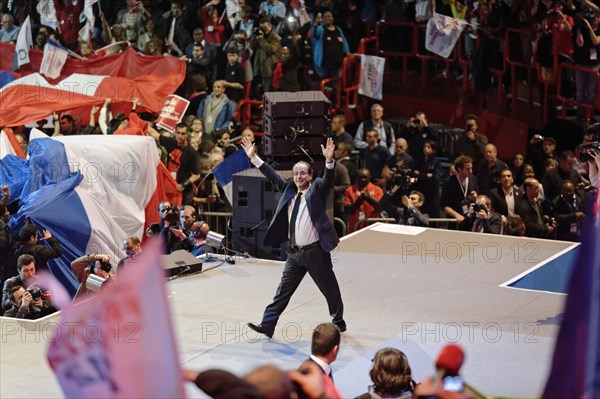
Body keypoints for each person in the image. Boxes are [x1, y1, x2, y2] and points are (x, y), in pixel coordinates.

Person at [241, 136, 346, 338]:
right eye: (296, 173)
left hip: (315, 252)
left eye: (303, 173)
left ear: (310, 175)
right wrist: (254, 158)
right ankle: (268, 325)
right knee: (282, 292)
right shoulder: (289, 189)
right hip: (294, 254)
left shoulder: (317, 189)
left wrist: (330, 161)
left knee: (329, 288)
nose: (298, 176)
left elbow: (328, 179)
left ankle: (338, 320)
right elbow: (272, 175)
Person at [441, 155, 478, 224]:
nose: (471, 171)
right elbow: (444, 206)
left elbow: (477, 198)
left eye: (471, 168)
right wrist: (456, 215)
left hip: (470, 220)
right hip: (454, 221)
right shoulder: (449, 182)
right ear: (459, 169)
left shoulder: (472, 179)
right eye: (468, 169)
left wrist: (475, 198)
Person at [344, 168, 383, 233]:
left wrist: (369, 198)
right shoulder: (350, 190)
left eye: (365, 177)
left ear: (369, 177)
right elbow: (348, 210)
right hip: (355, 228)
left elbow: (380, 208)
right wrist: (360, 200)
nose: (363, 179)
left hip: (372, 228)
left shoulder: (377, 190)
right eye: (360, 177)